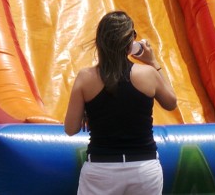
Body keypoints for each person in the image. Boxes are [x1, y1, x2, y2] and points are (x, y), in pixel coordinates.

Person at [65, 11, 177, 195]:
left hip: (101, 169)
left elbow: (70, 129)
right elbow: (171, 102)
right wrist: (153, 61)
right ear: (130, 42)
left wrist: (88, 109)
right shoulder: (147, 74)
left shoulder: (86, 78)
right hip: (143, 167)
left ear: (100, 41)